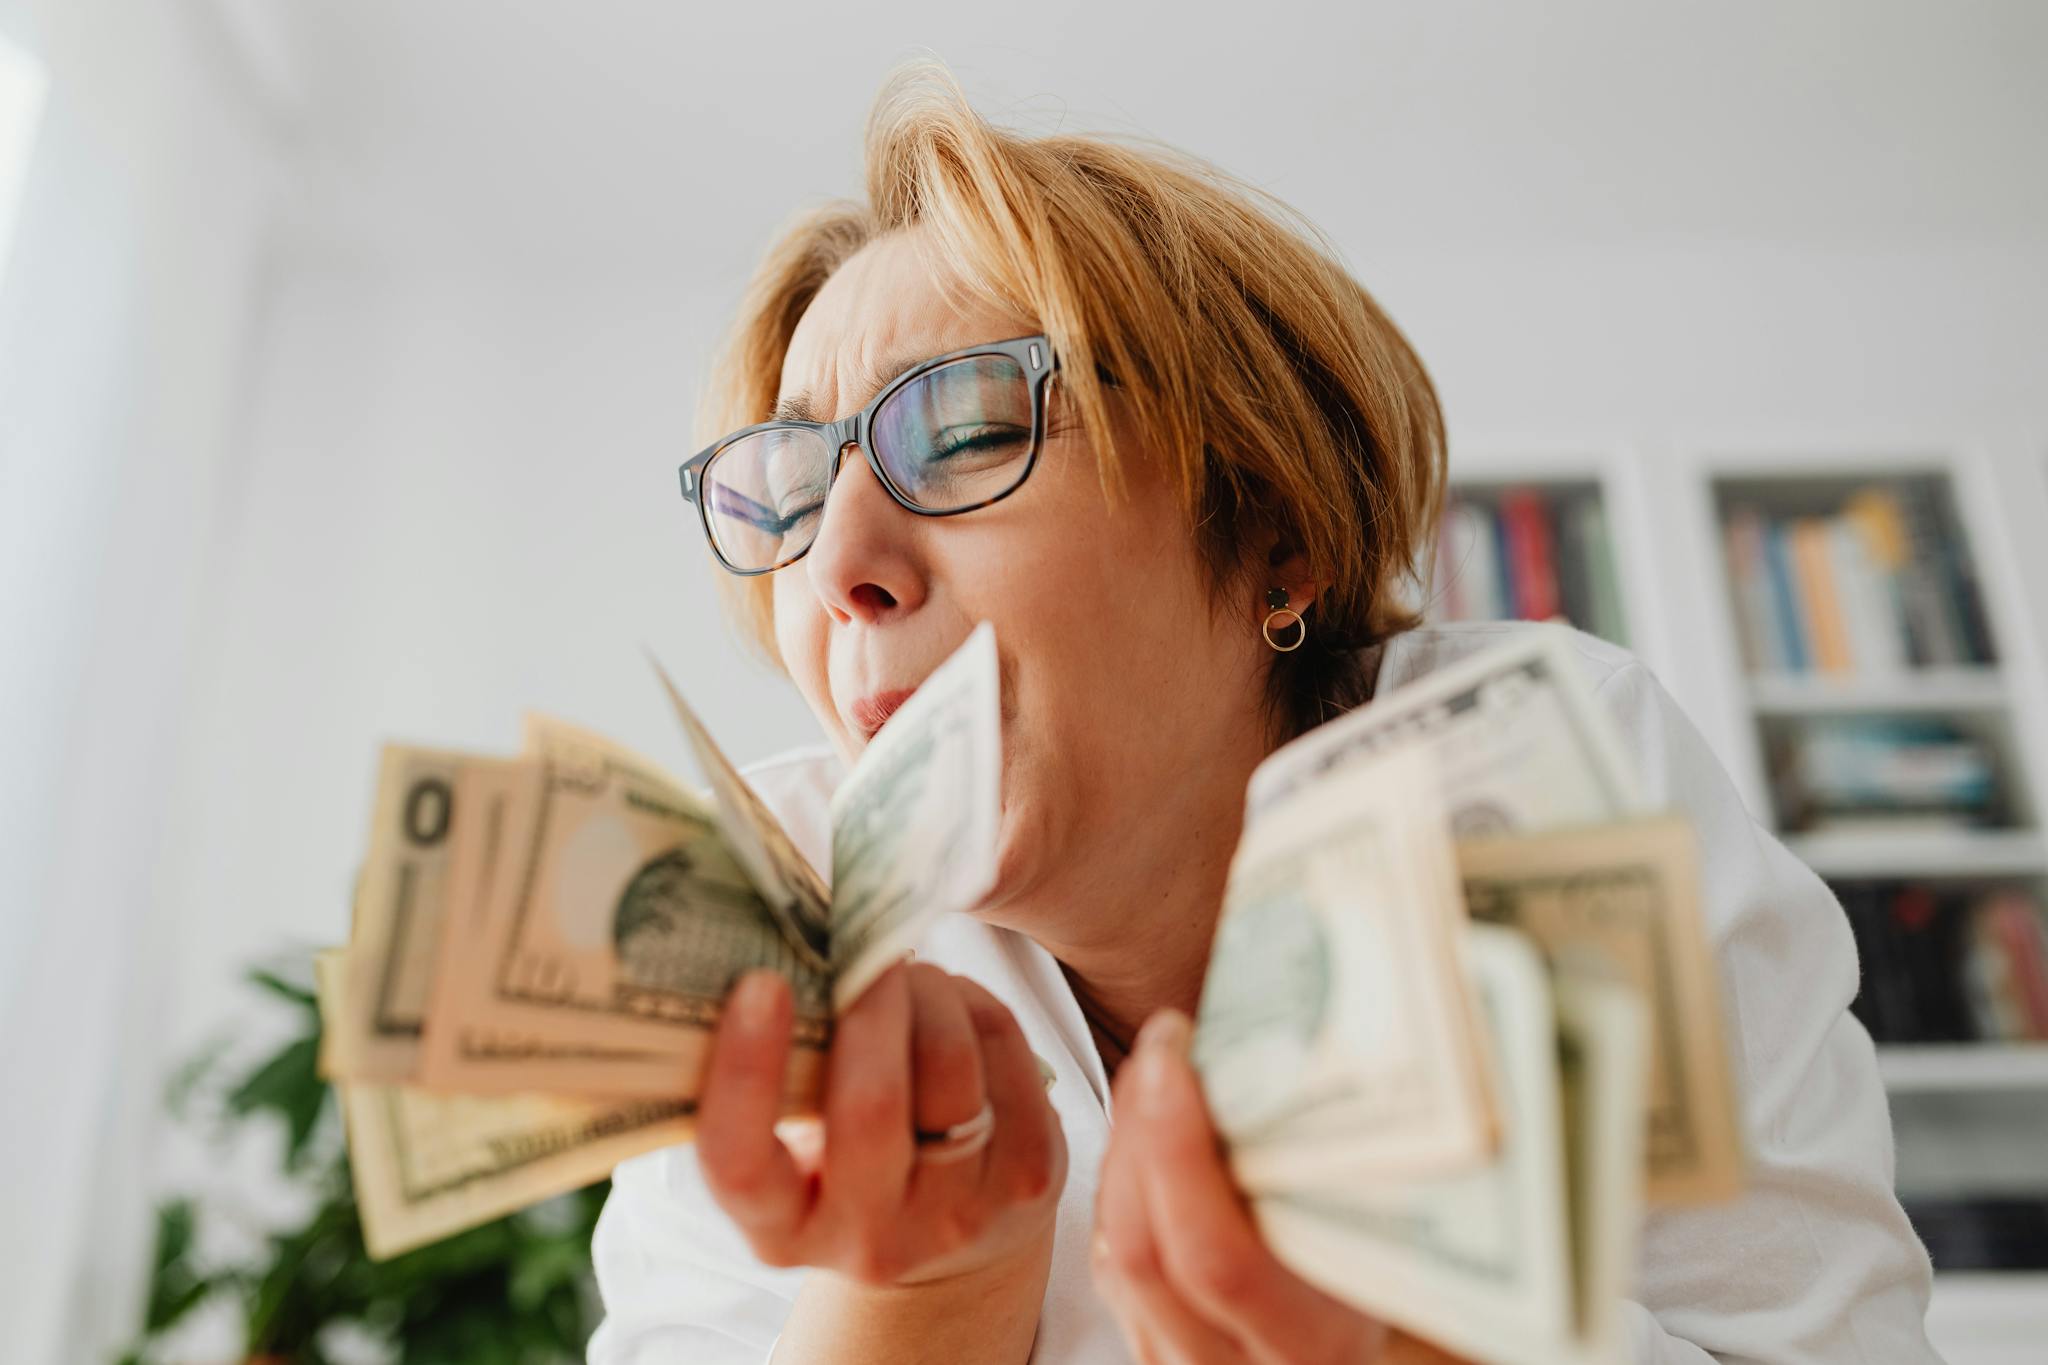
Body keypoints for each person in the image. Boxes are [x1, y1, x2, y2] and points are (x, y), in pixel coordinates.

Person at [588, 60, 1940, 1365]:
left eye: (964, 432)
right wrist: (931, 1287)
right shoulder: (759, 907)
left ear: (1273, 537)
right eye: (790, 492)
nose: (836, 568)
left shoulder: (1541, 782)